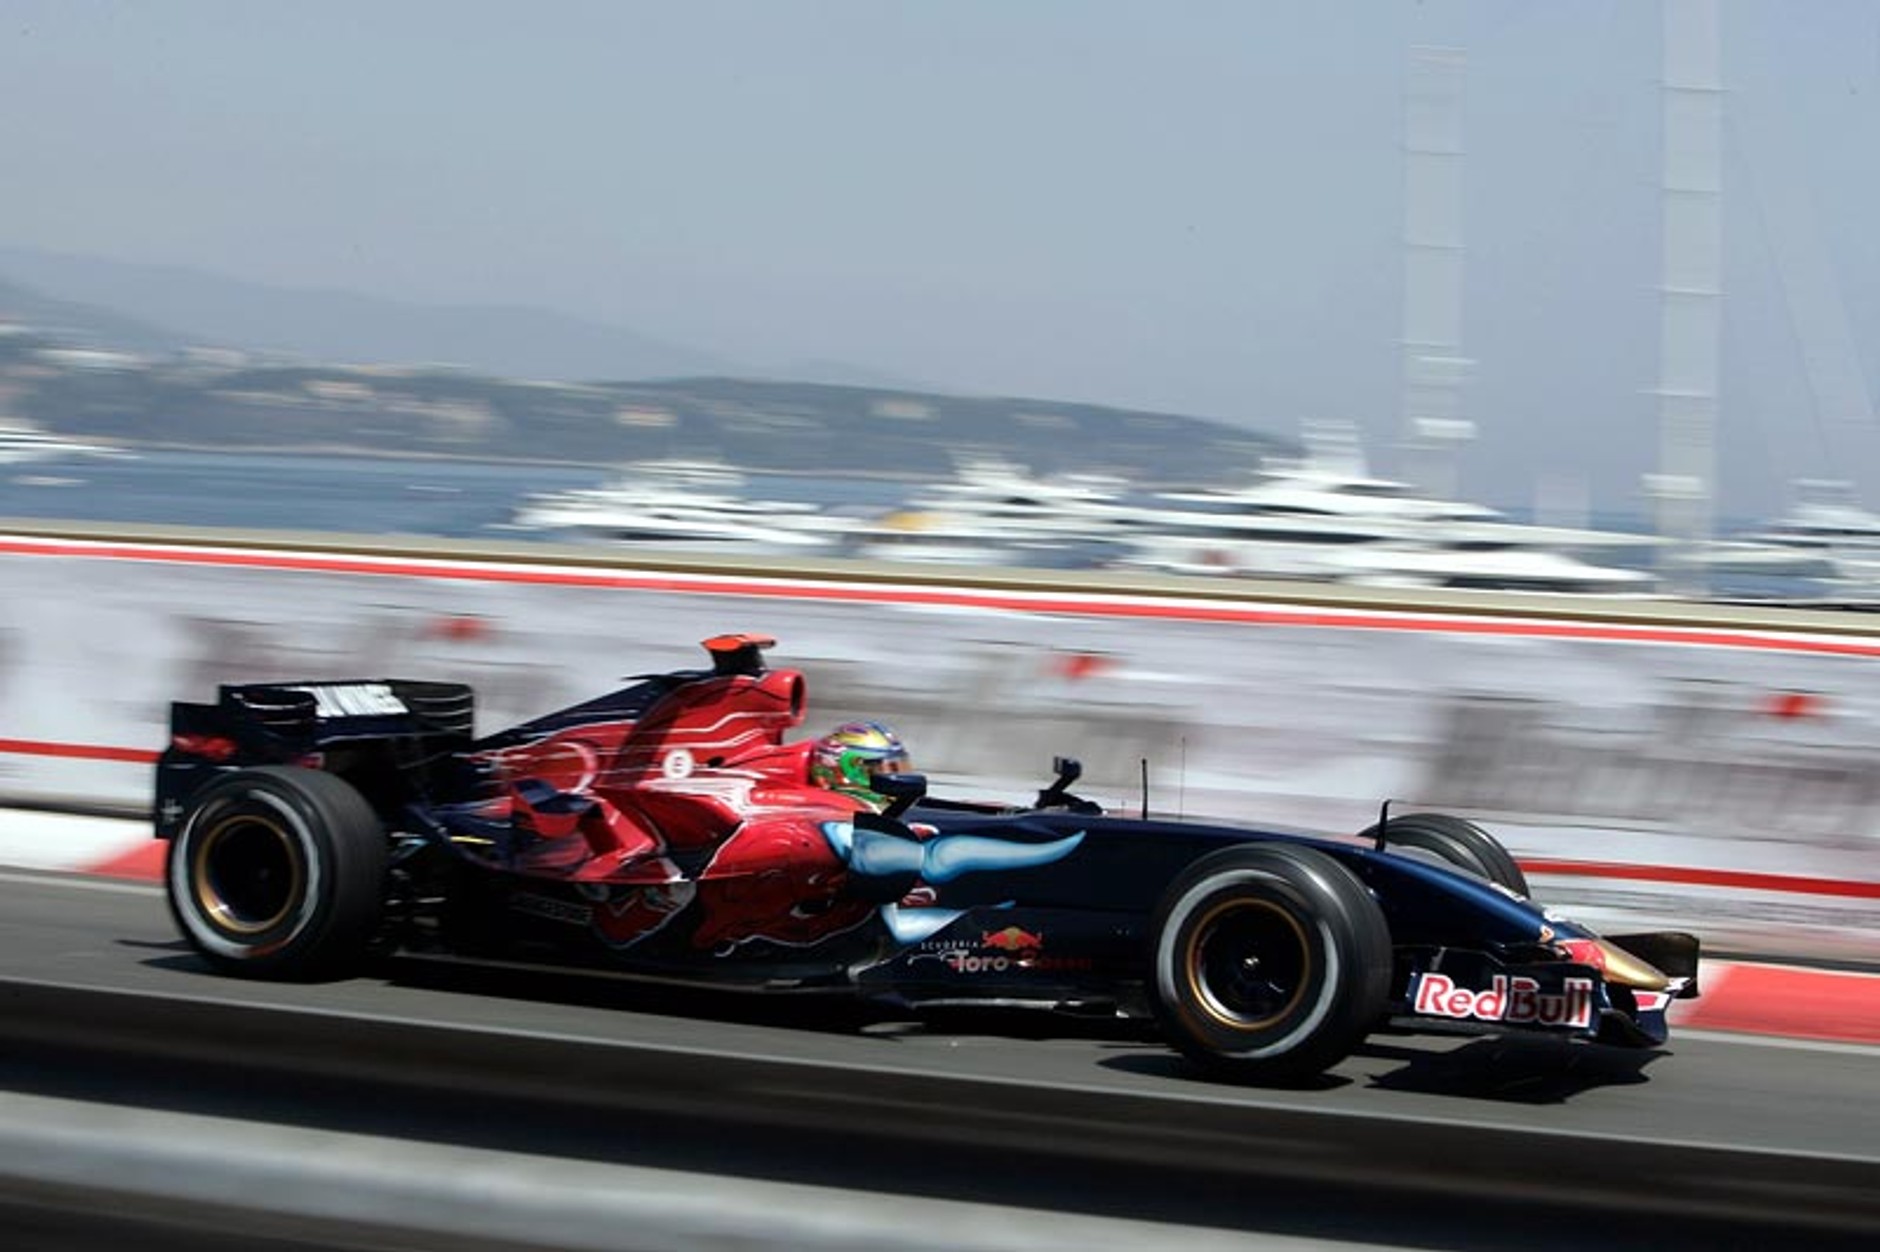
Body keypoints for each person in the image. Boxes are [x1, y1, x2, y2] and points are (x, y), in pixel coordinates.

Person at [807, 719, 912, 811]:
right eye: (884, 769)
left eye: (896, 768)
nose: (896, 777)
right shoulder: (839, 817)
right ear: (852, 769)